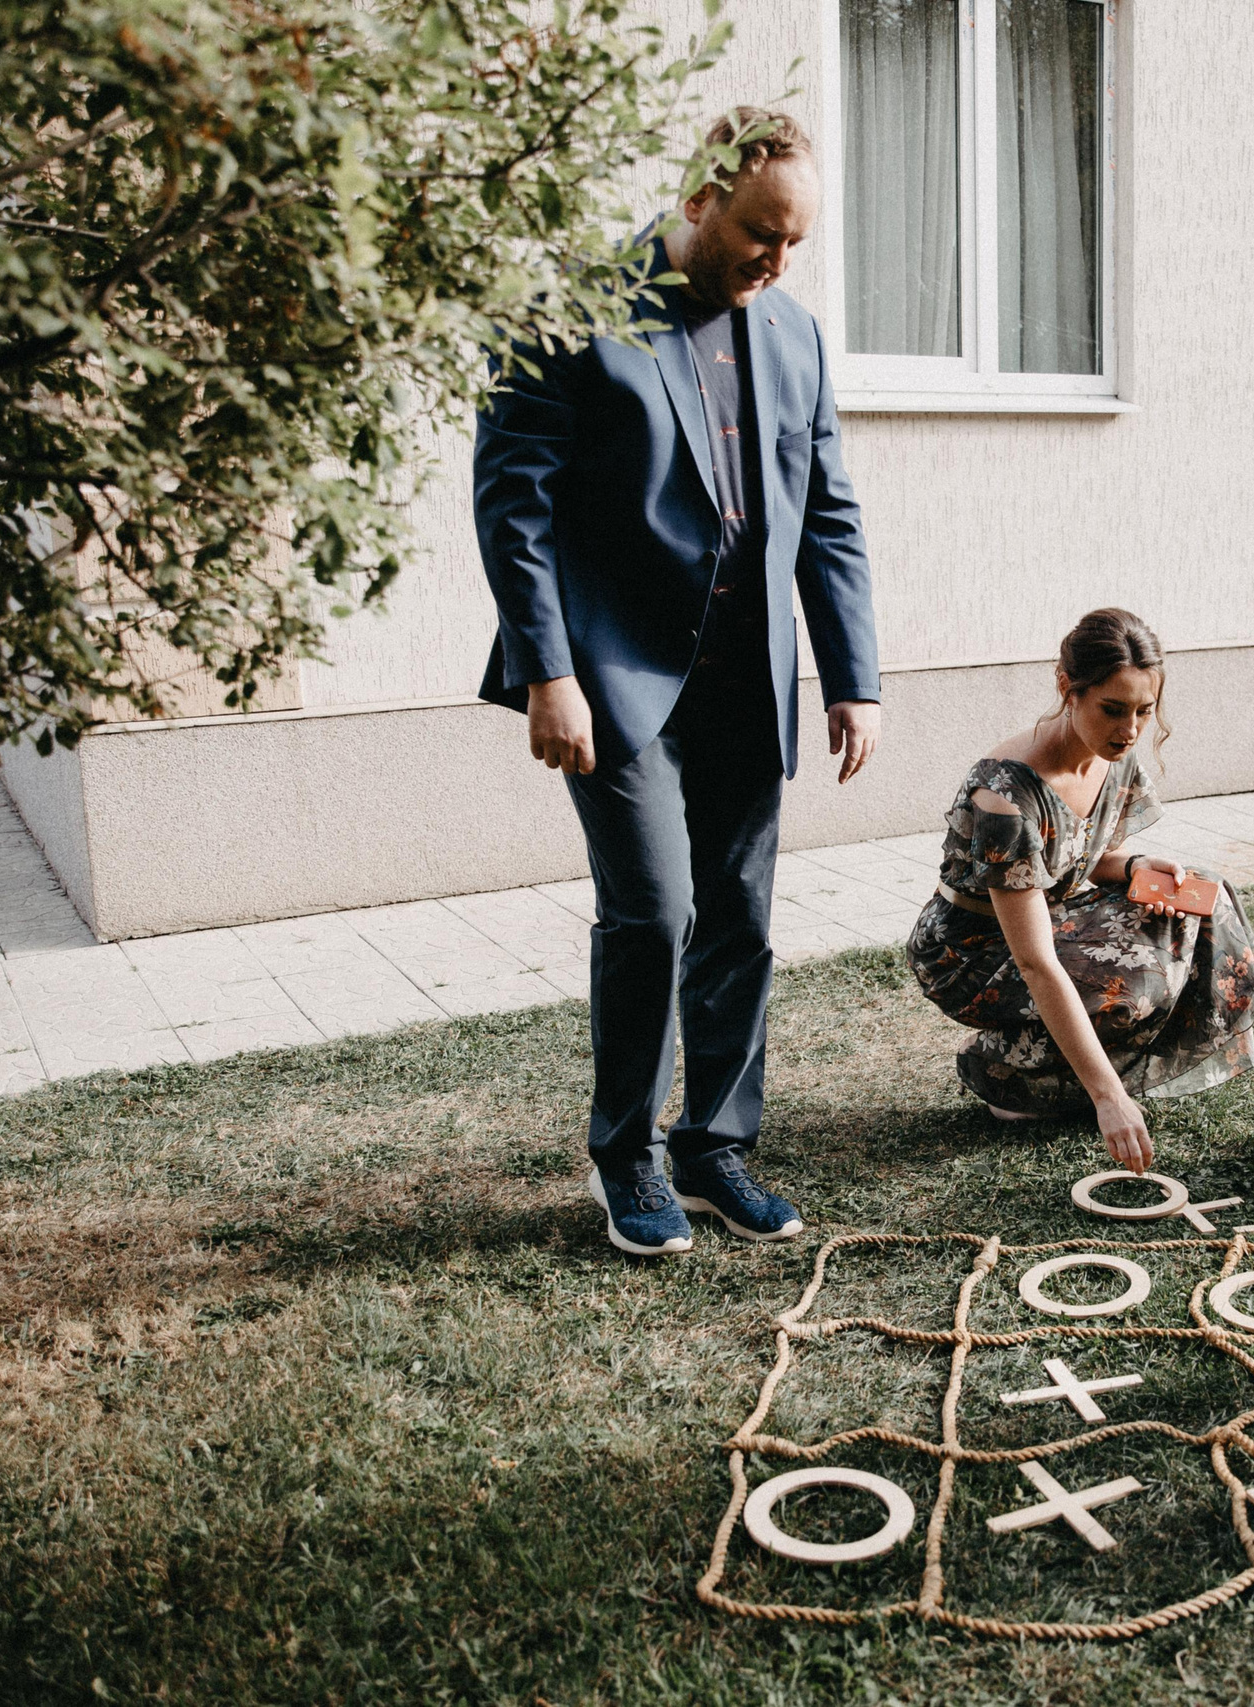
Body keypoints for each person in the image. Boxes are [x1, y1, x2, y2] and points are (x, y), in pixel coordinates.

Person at [473, 109, 882, 1258]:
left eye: (795, 242)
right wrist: (546, 671)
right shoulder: (573, 310)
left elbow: (829, 512)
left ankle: (715, 1148)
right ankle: (628, 1161)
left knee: (740, 919)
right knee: (655, 912)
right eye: (760, 233)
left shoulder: (794, 335)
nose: (775, 262)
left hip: (748, 675)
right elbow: (514, 508)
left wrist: (853, 673)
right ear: (701, 198)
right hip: (611, 678)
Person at [906, 609, 1254, 1171]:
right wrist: (1109, 1100)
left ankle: (1050, 1066)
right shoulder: (1003, 797)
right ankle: (1003, 1068)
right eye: (1113, 709)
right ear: (1066, 688)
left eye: (1144, 712)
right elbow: (1034, 962)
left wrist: (1137, 868)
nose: (1129, 730)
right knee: (1137, 984)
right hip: (973, 951)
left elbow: (1084, 859)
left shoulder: (1109, 754)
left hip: (1055, 908)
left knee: (1201, 901)